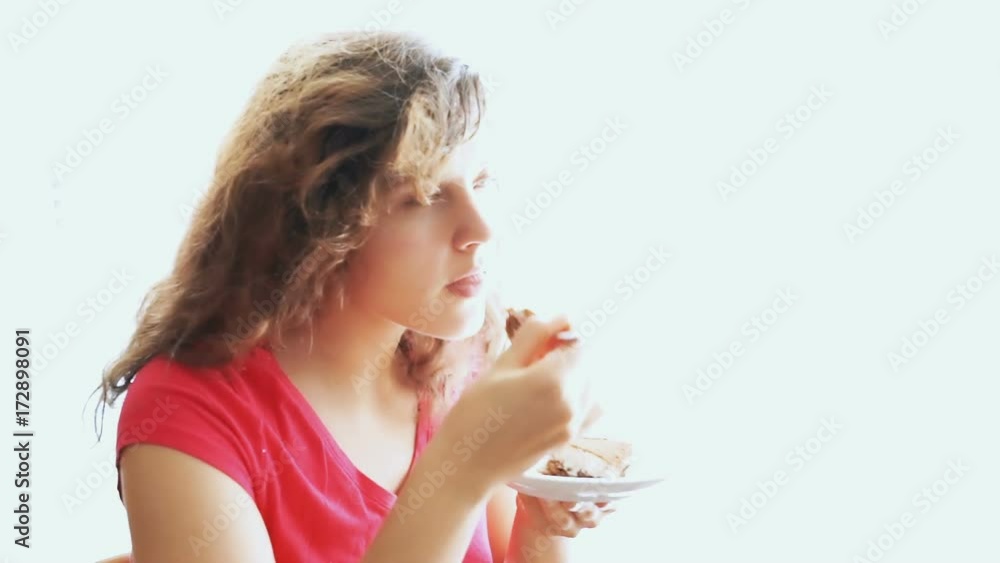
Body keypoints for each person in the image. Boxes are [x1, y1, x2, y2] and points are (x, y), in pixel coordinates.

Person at [95, 31, 613, 563]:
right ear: (318, 225)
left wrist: (542, 526)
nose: (480, 228)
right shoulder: (191, 413)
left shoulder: (462, 366)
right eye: (426, 196)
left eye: (480, 181)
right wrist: (462, 470)